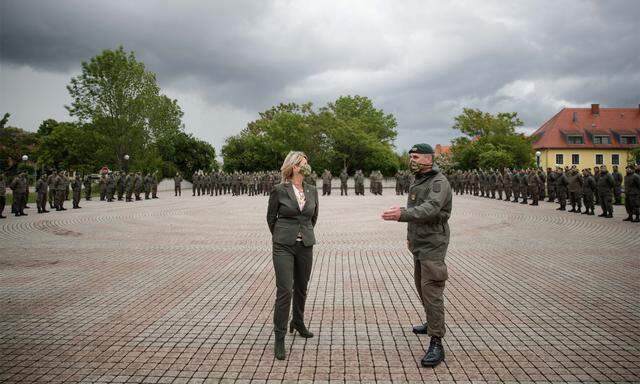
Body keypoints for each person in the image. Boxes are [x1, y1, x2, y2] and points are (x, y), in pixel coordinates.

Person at [382, 143, 451, 368]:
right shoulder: (419, 179)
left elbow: (430, 209)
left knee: (432, 290)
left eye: (416, 156)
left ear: (429, 158)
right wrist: (410, 235)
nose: (412, 159)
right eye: (410, 156)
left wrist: (402, 214)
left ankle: (437, 342)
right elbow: (417, 211)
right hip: (420, 242)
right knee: (421, 287)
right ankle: (431, 322)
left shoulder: (438, 182)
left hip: (433, 243)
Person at [266, 151, 319, 360]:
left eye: (307, 163)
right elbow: (271, 218)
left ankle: (297, 321)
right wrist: (282, 236)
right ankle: (279, 337)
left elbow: (313, 218)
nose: (307, 167)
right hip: (283, 246)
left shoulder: (312, 190)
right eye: (303, 163)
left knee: (302, 287)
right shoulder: (279, 190)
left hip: (305, 244)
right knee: (285, 289)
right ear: (294, 167)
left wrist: (302, 234)